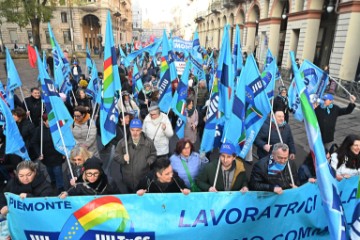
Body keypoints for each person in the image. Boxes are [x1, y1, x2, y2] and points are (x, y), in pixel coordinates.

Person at [113, 119, 157, 193]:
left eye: (137, 130)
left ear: (141, 130)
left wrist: (148, 161)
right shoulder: (122, 142)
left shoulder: (149, 142)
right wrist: (122, 158)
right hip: (128, 178)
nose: (135, 133)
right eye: (132, 130)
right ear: (129, 129)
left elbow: (153, 154)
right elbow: (116, 155)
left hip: (143, 177)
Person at [31, 114, 65, 193]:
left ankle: (60, 187)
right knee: (50, 171)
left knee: (57, 171)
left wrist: (64, 152)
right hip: (46, 155)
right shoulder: (39, 130)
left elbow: (63, 141)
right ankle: (53, 182)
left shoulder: (58, 129)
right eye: (48, 121)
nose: (50, 123)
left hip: (57, 155)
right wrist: (39, 153)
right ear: (44, 122)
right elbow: (34, 142)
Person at [60, 156, 124, 197]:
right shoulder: (80, 183)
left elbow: (119, 197)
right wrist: (66, 194)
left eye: (95, 173)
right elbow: (72, 192)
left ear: (100, 173)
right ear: (85, 173)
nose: (92, 177)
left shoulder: (109, 182)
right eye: (89, 174)